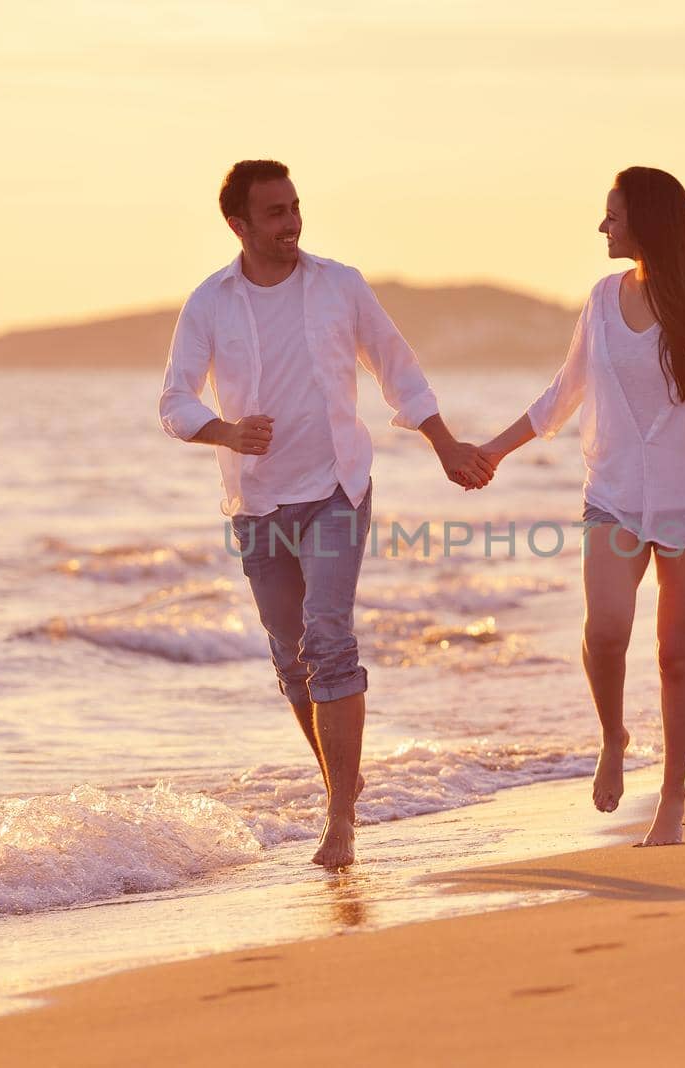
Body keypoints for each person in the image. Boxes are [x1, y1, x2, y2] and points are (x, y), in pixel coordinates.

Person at [160, 160, 493, 867]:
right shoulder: (210, 302)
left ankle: (340, 817)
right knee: (291, 661)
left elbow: (396, 367)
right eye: (274, 213)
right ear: (238, 225)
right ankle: (343, 775)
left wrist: (442, 443)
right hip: (257, 501)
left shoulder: (338, 284)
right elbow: (175, 400)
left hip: (338, 486)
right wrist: (224, 431)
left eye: (294, 207)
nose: (291, 223)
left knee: (329, 638)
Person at [478, 166, 685, 846]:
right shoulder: (603, 301)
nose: (602, 226)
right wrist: (490, 451)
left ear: (646, 221)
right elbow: (560, 396)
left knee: (674, 654)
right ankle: (613, 735)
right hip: (615, 497)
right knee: (605, 630)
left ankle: (673, 796)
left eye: (613, 214)